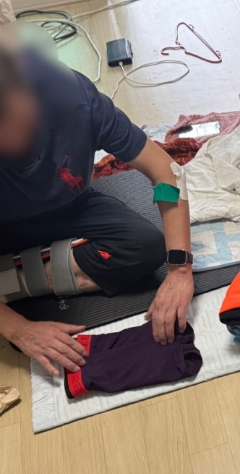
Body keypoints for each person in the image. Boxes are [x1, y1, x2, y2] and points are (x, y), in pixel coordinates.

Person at [0, 47, 194, 376]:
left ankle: (9, 280)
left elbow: (166, 174)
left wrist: (179, 270)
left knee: (146, 246)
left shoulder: (73, 99)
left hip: (70, 206)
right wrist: (18, 328)